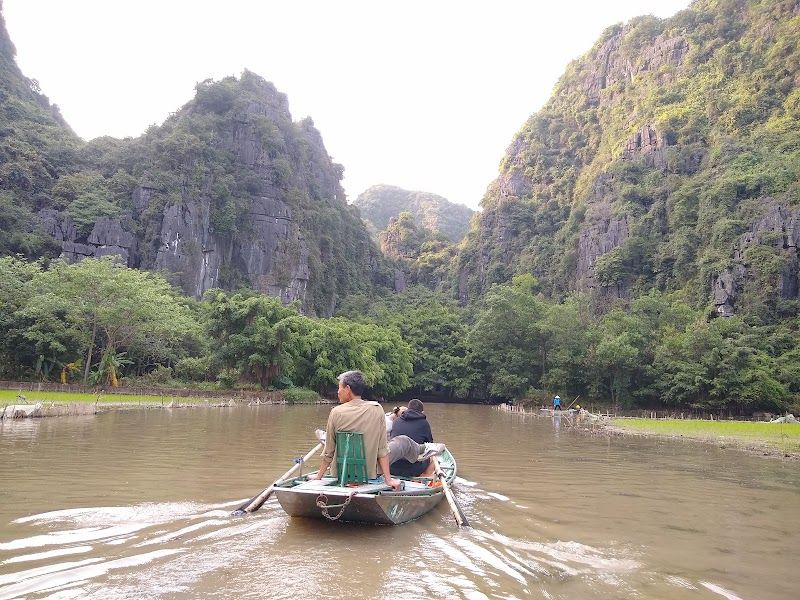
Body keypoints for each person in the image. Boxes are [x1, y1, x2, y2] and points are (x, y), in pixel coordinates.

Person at [308, 371, 443, 488]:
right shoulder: (376, 409)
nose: (338, 391)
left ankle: (421, 449)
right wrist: (388, 479)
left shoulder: (335, 412)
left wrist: (319, 476)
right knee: (402, 441)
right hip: (369, 472)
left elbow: (329, 452)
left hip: (341, 472)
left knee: (334, 443)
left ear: (348, 389)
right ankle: (422, 449)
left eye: (339, 388)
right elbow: (382, 449)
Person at [390, 398, 436, 477]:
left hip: (392, 467)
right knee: (433, 456)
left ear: (408, 409)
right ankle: (425, 477)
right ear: (422, 412)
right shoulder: (424, 423)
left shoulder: (396, 421)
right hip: (413, 469)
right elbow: (430, 443)